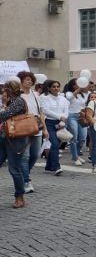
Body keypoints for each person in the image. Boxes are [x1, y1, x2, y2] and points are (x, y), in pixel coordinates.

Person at [0, 80, 31, 208]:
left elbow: (4, 115)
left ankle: (20, 197)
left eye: (4, 89)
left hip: (16, 139)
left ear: (10, 89)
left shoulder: (18, 101)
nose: (2, 91)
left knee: (14, 169)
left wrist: (3, 104)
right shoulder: (10, 102)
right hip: (3, 137)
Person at [17, 71, 45, 193]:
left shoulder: (36, 95)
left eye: (31, 79)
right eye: (26, 79)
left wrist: (45, 128)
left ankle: (22, 176)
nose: (29, 81)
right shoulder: (17, 96)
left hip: (36, 128)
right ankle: (26, 181)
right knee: (25, 156)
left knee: (35, 155)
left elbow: (41, 112)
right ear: (21, 81)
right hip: (23, 129)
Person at [40, 79, 67, 176]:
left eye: (57, 86)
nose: (56, 88)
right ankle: (57, 166)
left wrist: (63, 121)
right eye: (53, 87)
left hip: (61, 124)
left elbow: (66, 111)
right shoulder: (45, 98)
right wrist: (59, 117)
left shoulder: (63, 99)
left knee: (56, 145)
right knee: (55, 144)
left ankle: (49, 165)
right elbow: (45, 111)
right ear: (49, 88)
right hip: (49, 123)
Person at [64, 78, 89, 166]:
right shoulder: (69, 93)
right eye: (76, 84)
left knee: (82, 138)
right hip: (72, 116)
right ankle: (75, 157)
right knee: (74, 138)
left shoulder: (82, 95)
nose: (78, 85)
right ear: (73, 85)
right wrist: (79, 89)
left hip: (81, 116)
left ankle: (77, 154)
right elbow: (70, 98)